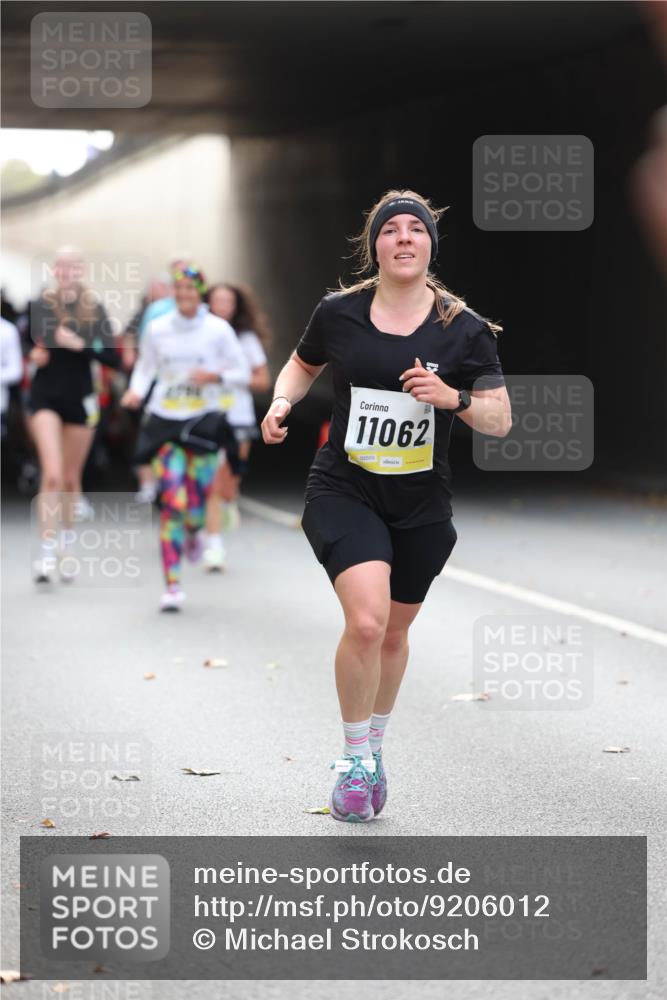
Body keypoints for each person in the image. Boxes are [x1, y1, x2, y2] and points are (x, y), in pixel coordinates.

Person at [261, 189, 511, 822]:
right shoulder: (339, 312)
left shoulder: (465, 329)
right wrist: (281, 402)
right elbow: (301, 364)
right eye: (391, 230)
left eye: (416, 230)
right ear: (374, 246)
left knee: (394, 633)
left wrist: (451, 397)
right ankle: (352, 760)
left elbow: (500, 420)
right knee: (367, 622)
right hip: (345, 486)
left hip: (422, 503)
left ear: (430, 244)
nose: (404, 238)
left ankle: (374, 747)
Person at [121, 265, 250, 611]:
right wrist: (135, 392)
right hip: (165, 421)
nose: (184, 296)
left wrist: (214, 377)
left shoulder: (218, 330)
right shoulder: (159, 329)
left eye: (190, 290)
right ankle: (173, 586)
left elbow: (241, 373)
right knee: (171, 504)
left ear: (200, 293)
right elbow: (146, 366)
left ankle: (196, 530)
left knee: (195, 507)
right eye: (178, 291)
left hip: (204, 422)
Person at [27, 246, 122, 583]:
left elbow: (114, 356)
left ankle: (67, 543)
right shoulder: (39, 305)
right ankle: (46, 552)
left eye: (72, 266)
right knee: (51, 474)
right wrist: (33, 355)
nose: (66, 271)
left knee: (69, 478)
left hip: (80, 400)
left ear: (80, 270)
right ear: (54, 269)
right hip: (45, 398)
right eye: (61, 266)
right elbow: (27, 342)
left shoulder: (93, 308)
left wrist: (80, 344)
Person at [203, 282, 271, 570]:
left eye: (228, 301)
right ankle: (214, 545)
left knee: (229, 483)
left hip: (238, 417)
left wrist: (226, 377)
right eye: (217, 300)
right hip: (206, 417)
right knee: (213, 482)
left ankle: (229, 503)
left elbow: (262, 380)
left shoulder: (246, 339)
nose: (222, 306)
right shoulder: (199, 335)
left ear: (236, 306)